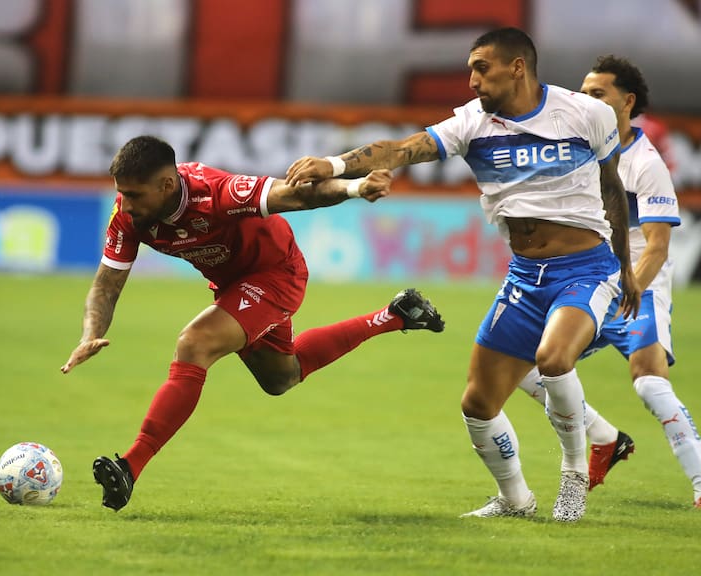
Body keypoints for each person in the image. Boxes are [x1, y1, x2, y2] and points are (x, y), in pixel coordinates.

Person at [286, 27, 641, 522]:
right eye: (470, 69)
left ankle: (574, 476)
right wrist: (333, 163)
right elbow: (403, 149)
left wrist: (625, 267)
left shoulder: (587, 113)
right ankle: (516, 500)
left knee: (554, 358)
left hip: (586, 268)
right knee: (477, 403)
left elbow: (611, 187)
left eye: (481, 67)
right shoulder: (473, 123)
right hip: (524, 276)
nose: (471, 79)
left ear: (517, 66)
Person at [61, 135, 444, 511]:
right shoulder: (129, 216)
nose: (125, 205)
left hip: (277, 275)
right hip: (233, 286)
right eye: (122, 193)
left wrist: (357, 187)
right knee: (281, 378)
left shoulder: (217, 193)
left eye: (134, 195)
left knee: (194, 344)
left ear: (166, 184)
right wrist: (90, 335)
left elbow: (296, 195)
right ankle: (395, 315)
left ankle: (130, 466)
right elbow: (107, 284)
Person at [518, 55, 701, 507]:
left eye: (597, 93)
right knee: (524, 366)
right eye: (583, 93)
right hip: (588, 277)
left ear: (627, 101)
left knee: (649, 382)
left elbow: (657, 245)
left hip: (640, 282)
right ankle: (604, 437)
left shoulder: (645, 161)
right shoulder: (576, 150)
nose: (586, 101)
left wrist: (630, 287)